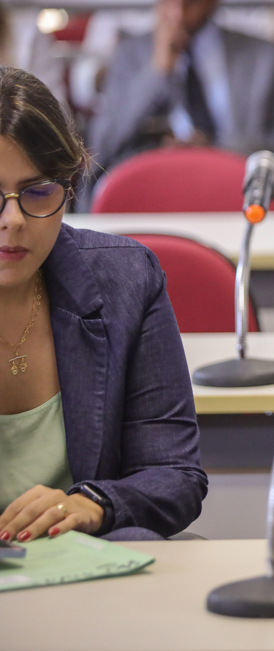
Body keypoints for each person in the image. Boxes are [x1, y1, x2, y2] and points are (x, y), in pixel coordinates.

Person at [0, 66, 207, 542]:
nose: (13, 219)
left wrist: (92, 504)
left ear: (70, 186)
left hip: (84, 555)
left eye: (38, 192)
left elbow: (174, 473)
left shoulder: (125, 279)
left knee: (140, 543)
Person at [87, 0, 274, 207]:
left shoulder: (263, 57)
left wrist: (217, 148)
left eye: (191, 0)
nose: (178, 13)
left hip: (235, 187)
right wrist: (157, 72)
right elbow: (103, 144)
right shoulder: (130, 54)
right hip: (151, 187)